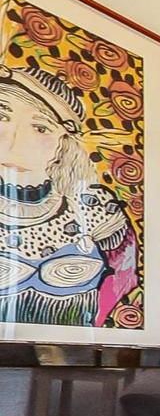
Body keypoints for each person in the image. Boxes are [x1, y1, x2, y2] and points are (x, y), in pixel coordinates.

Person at [0, 64, 134, 328]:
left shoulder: (96, 209)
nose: (14, 140)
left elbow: (123, 278)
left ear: (64, 143)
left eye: (40, 128)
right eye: (3, 115)